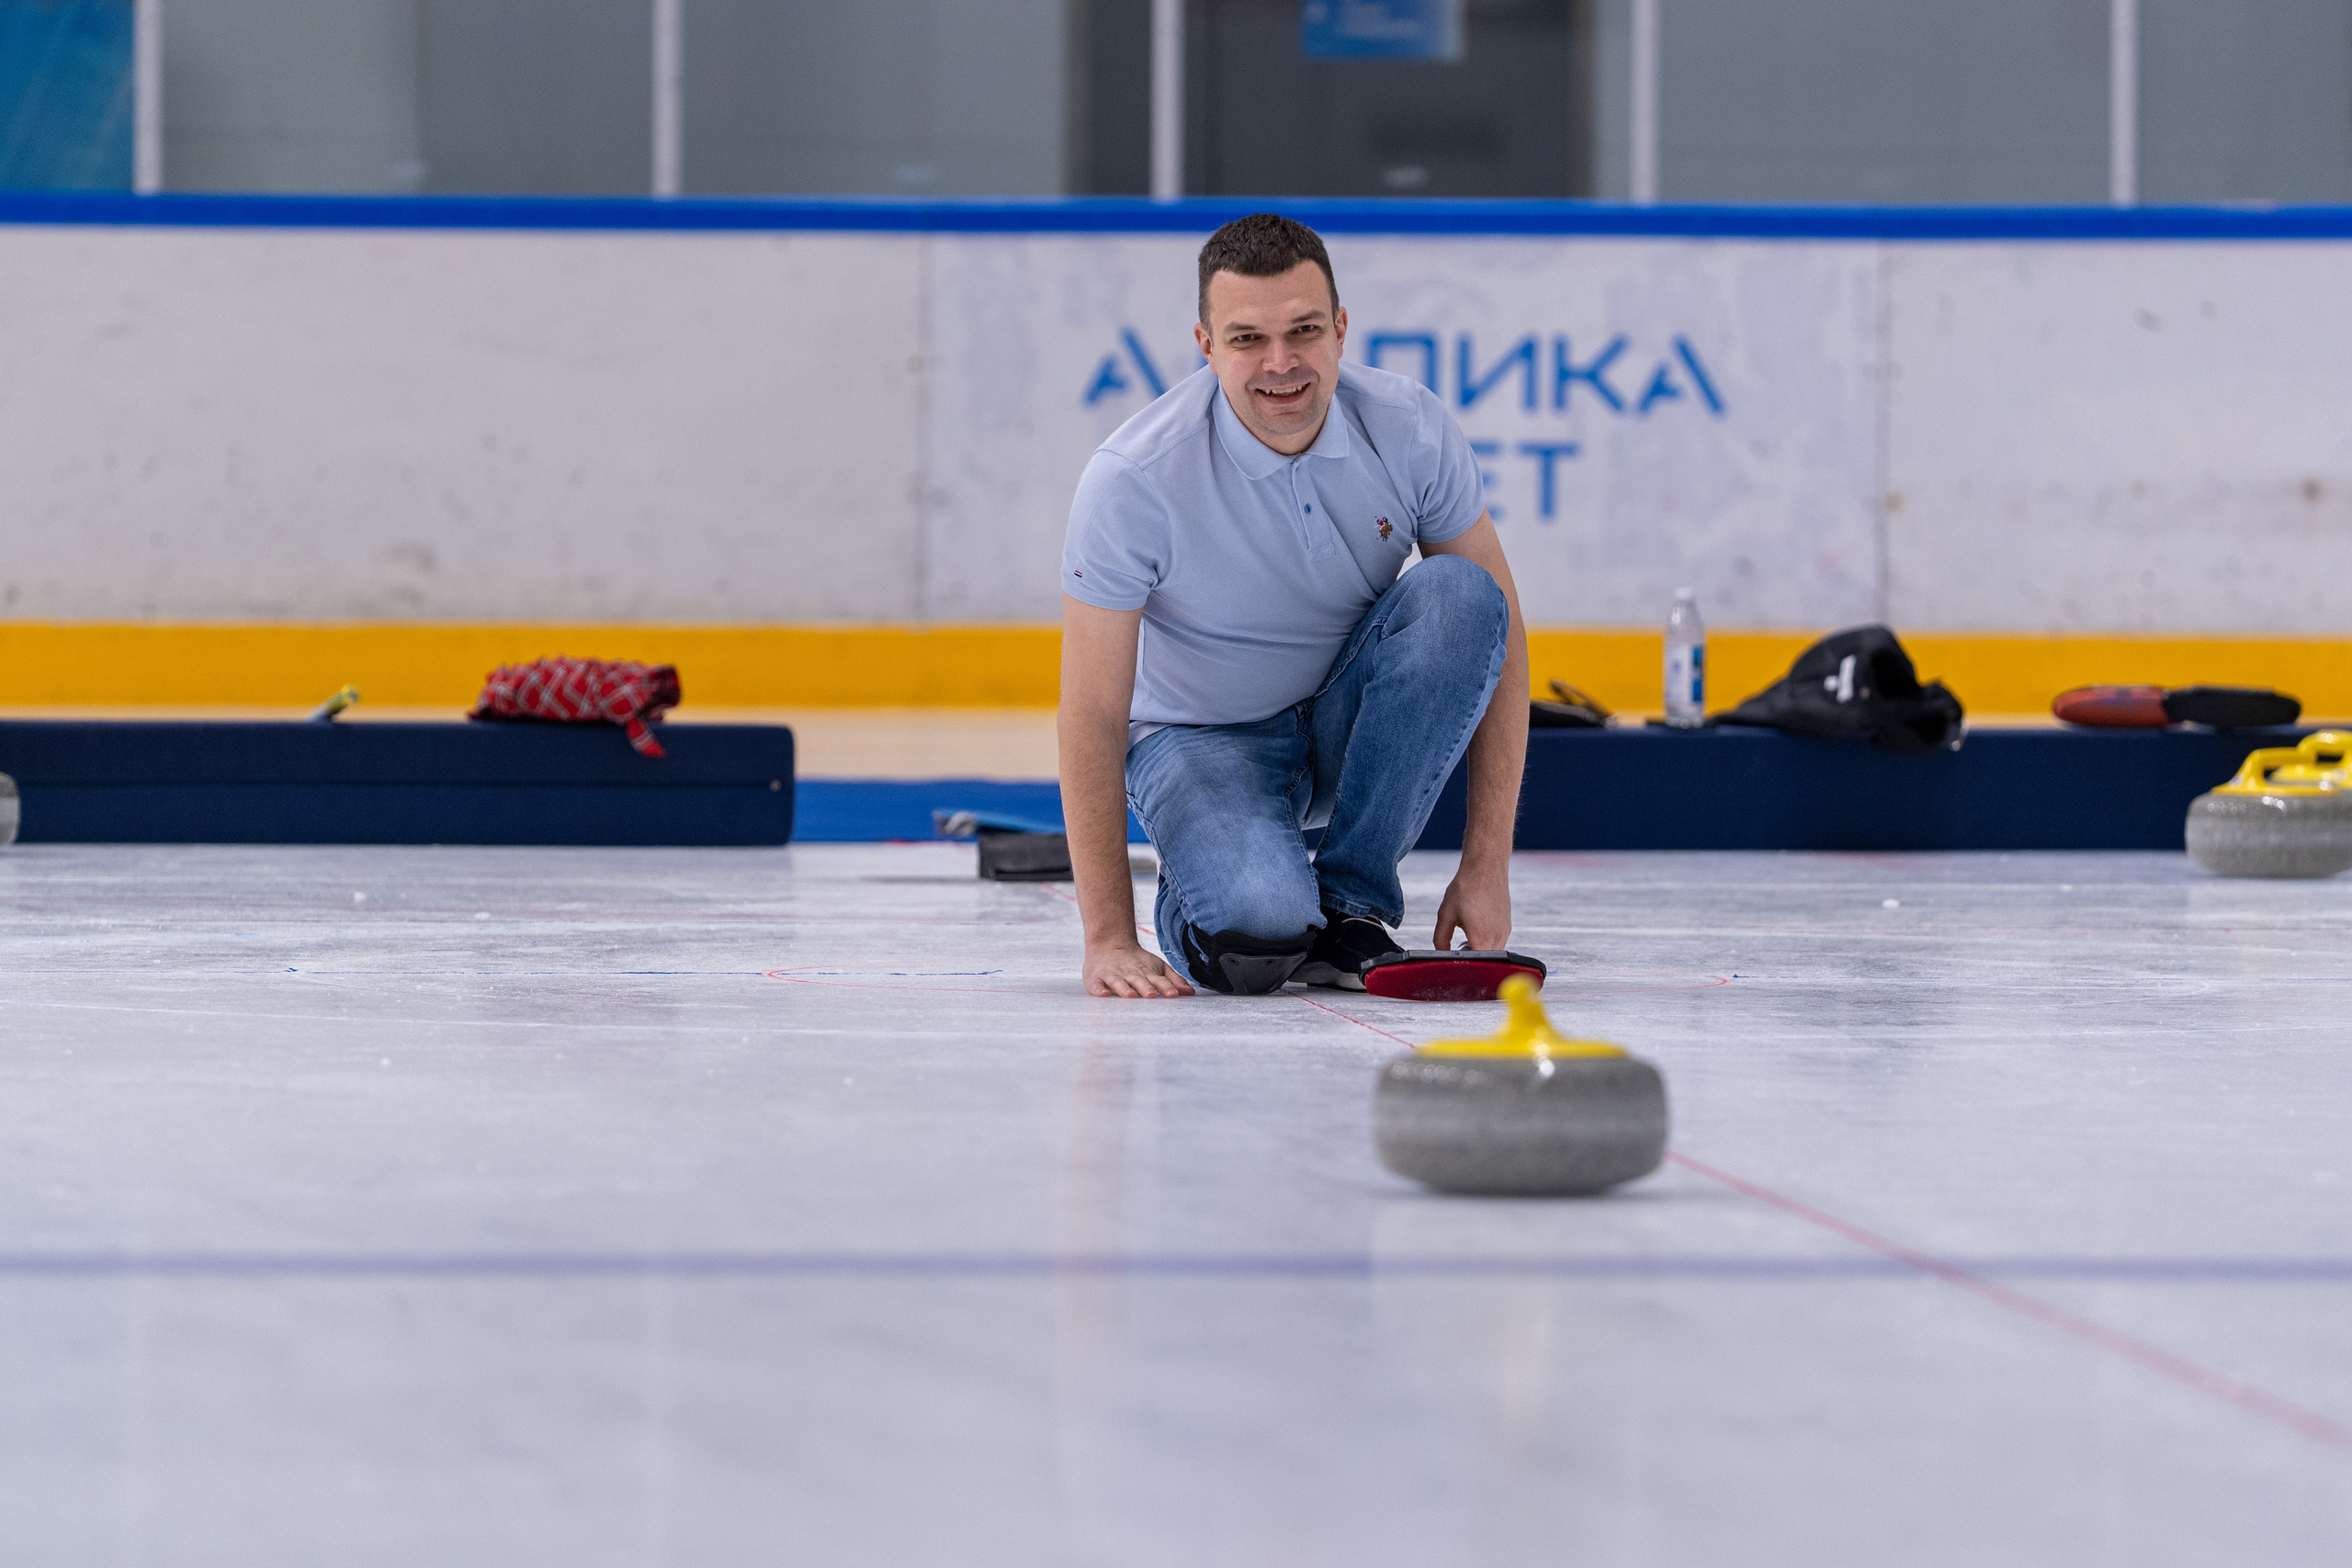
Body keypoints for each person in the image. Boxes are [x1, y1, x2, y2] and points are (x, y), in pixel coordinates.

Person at [1057, 212, 1529, 999]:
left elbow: (1498, 639)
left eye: (1304, 330)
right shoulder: (1133, 479)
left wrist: (1487, 864)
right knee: (1261, 932)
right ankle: (1212, 894)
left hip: (1346, 724)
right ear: (1207, 345)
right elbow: (1091, 715)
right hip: (1199, 739)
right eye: (1247, 339)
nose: (1281, 364)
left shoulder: (1409, 428)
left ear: (1340, 329)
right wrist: (1108, 936)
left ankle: (1350, 904)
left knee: (1463, 595)